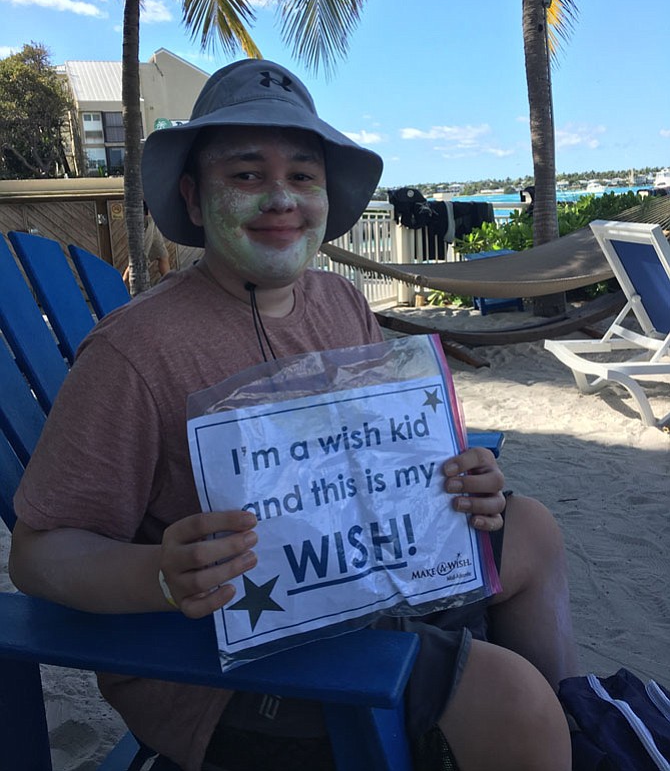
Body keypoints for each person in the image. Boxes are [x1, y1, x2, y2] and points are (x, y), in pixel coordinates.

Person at [9, 59, 578, 771]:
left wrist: (459, 479)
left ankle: (568, 733)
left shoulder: (339, 302)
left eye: (303, 176)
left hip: (358, 577)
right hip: (220, 649)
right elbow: (36, 554)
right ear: (192, 195)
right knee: (513, 704)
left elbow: (378, 462)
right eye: (246, 174)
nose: (281, 197)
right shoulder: (136, 352)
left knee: (531, 531)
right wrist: (160, 572)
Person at [123, 201, 171, 286]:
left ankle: (169, 285)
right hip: (144, 219)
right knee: (138, 261)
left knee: (163, 256)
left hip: (152, 220)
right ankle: (120, 287)